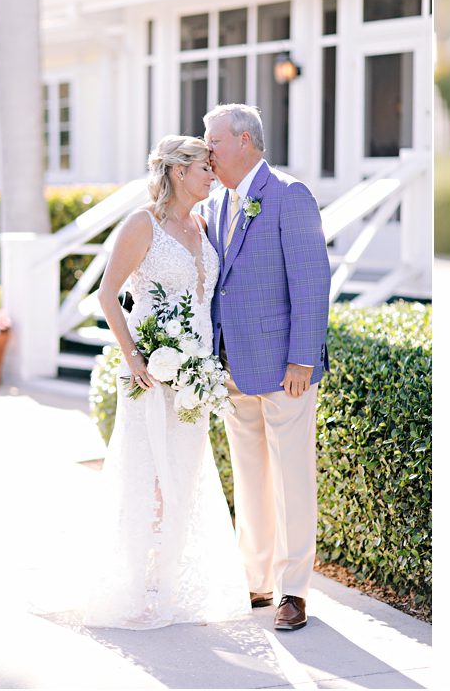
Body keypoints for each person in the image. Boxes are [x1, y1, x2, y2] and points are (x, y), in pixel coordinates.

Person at [86, 135, 251, 629]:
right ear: (179, 172)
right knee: (146, 475)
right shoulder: (143, 224)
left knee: (183, 475)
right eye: (205, 167)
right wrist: (135, 356)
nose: (212, 175)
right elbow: (107, 294)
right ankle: (137, 585)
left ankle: (172, 583)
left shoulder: (202, 225)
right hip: (150, 375)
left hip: (197, 377)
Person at [201, 104, 331, 631]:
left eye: (213, 141)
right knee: (250, 476)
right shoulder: (212, 203)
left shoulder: (288, 195)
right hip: (232, 367)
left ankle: (293, 590)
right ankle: (255, 580)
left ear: (246, 142)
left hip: (284, 369)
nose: (206, 149)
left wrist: (302, 356)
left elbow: (311, 280)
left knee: (292, 477)